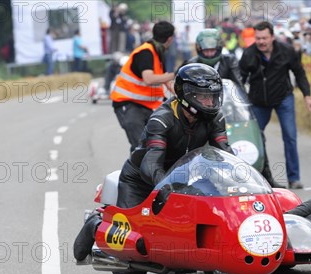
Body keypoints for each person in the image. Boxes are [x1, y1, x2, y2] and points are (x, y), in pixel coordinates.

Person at [73, 63, 233, 261]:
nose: (210, 102)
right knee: (133, 244)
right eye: (203, 97)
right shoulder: (162, 119)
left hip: (184, 179)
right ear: (187, 95)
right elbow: (150, 165)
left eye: (212, 97)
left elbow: (226, 153)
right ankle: (95, 224)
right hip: (142, 180)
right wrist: (170, 188)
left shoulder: (215, 118)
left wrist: (243, 181)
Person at [239, 21, 311, 190]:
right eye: (258, 38)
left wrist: (307, 96)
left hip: (283, 98)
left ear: (272, 37)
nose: (261, 42)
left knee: (290, 136)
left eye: (264, 38)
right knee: (256, 138)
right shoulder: (249, 54)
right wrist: (239, 102)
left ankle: (294, 178)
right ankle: (261, 177)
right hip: (258, 102)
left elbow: (299, 72)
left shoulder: (286, 50)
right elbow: (240, 79)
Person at [110, 21, 176, 153]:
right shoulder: (145, 52)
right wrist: (174, 74)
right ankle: (134, 174)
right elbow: (149, 79)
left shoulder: (157, 51)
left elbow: (163, 78)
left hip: (146, 106)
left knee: (158, 144)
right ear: (170, 39)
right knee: (141, 148)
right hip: (128, 105)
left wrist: (182, 94)